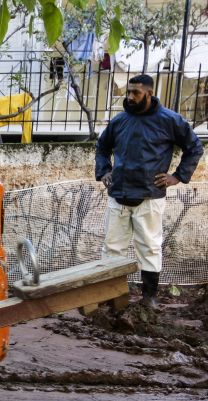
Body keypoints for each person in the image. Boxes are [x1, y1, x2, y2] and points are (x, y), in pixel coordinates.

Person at [95, 74, 203, 308]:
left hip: (150, 196)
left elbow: (194, 147)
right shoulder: (119, 121)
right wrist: (104, 170)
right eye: (129, 92)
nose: (130, 97)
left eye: (136, 92)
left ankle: (149, 297)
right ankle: (112, 296)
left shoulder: (169, 120)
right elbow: (102, 147)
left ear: (149, 93)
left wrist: (177, 176)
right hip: (119, 194)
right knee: (112, 247)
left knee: (150, 247)